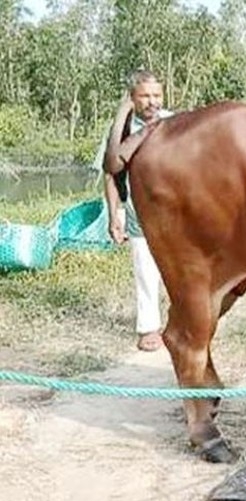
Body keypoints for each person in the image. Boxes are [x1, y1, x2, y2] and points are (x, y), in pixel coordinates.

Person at [95, 69, 174, 351]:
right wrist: (114, 215)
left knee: (181, 269)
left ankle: (183, 321)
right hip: (140, 212)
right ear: (132, 98)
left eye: (157, 95)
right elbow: (110, 172)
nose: (152, 102)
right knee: (145, 270)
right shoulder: (122, 130)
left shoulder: (173, 123)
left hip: (175, 212)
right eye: (145, 96)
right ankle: (149, 327)